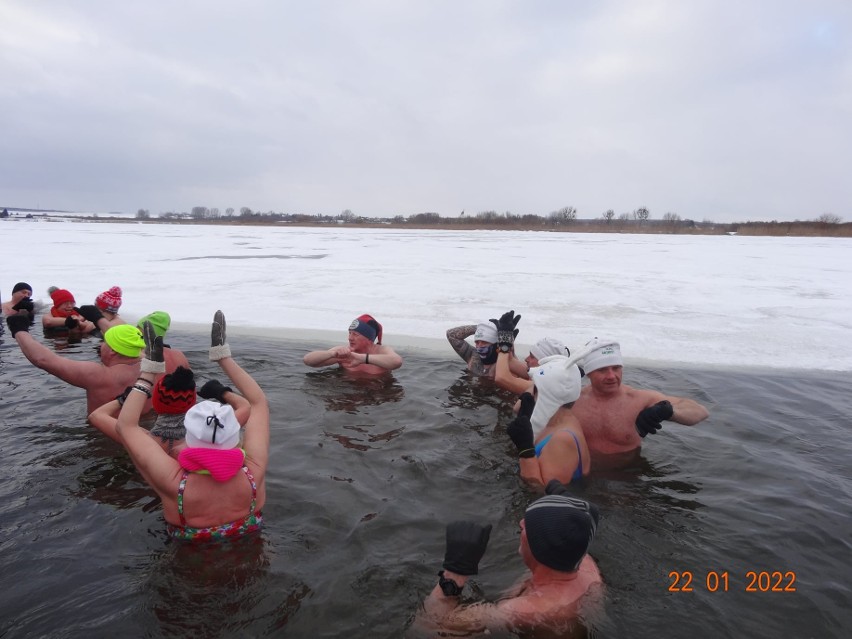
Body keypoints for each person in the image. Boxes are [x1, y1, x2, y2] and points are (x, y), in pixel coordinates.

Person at [114, 310, 268, 542]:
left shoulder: (174, 481)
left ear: (191, 438)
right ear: (234, 435)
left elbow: (126, 427)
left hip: (191, 563)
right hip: (249, 551)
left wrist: (149, 371)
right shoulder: (254, 471)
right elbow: (258, 403)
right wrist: (223, 357)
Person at [415, 484, 602, 636]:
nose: (521, 522)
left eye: (528, 525)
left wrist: (454, 575)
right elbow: (579, 531)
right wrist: (567, 508)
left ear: (540, 548)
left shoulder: (518, 611)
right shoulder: (586, 566)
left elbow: (427, 629)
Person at [571, 338, 710, 458]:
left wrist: (667, 411)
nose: (611, 376)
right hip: (583, 476)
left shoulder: (639, 400)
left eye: (616, 368)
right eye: (602, 370)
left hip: (630, 476)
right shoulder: (571, 401)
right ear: (588, 373)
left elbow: (701, 412)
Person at [88, 364, 251, 457]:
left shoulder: (142, 440)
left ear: (156, 402)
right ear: (193, 402)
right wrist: (220, 391)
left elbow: (96, 416)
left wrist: (126, 399)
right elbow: (246, 406)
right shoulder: (213, 434)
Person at [6, 311, 146, 413]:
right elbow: (130, 345)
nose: (102, 345)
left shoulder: (100, 375)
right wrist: (97, 317)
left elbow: (43, 359)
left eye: (105, 343)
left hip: (101, 442)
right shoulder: (151, 369)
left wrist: (20, 330)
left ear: (113, 350)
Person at [507, 354, 591, 487]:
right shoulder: (559, 420)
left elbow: (543, 493)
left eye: (535, 388)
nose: (531, 392)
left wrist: (525, 451)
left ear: (545, 393)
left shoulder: (562, 439)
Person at [303, 314, 402, 374]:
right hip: (347, 390)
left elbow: (397, 362)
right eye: (350, 333)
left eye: (355, 334)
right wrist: (333, 354)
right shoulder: (344, 353)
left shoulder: (381, 351)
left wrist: (362, 359)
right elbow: (308, 360)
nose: (350, 338)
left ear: (368, 338)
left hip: (376, 398)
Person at [446, 316, 527, 379]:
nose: (479, 346)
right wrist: (483, 328)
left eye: (484, 342)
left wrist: (508, 342)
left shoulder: (505, 361)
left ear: (495, 343)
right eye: (477, 342)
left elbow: (513, 360)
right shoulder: (473, 356)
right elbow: (451, 334)